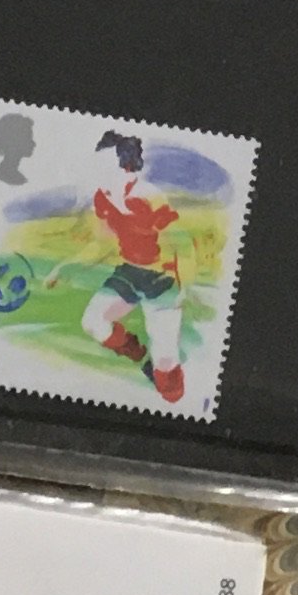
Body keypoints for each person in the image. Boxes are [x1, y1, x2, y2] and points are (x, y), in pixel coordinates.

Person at [76, 132, 199, 403]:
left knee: (169, 386)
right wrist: (64, 268)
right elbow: (102, 244)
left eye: (104, 165)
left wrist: (185, 287)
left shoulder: (149, 196)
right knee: (93, 321)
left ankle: (163, 374)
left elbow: (183, 243)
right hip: (129, 273)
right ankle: (140, 357)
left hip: (162, 280)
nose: (98, 172)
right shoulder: (102, 198)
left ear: (126, 166)